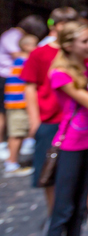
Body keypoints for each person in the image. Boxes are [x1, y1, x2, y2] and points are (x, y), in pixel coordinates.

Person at [46, 21, 88, 236]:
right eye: (85, 41)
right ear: (69, 45)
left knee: (80, 207)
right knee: (63, 209)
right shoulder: (60, 74)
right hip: (71, 144)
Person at [21, 7, 80, 211]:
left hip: (75, 121)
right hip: (50, 120)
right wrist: (35, 120)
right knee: (49, 173)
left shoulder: (79, 50)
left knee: (77, 172)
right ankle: (54, 214)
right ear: (55, 27)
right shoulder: (40, 53)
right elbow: (30, 86)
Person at [0, 15, 48, 160]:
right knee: (7, 115)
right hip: (7, 79)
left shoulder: (16, 36)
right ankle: (5, 147)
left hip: (13, 80)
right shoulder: (13, 36)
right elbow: (19, 54)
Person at [3, 34, 38, 177]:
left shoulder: (19, 61)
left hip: (17, 104)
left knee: (20, 132)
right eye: (34, 44)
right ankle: (11, 163)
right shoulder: (24, 62)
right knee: (16, 134)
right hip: (18, 104)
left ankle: (13, 161)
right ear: (26, 46)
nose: (37, 48)